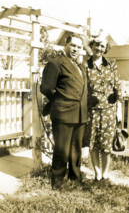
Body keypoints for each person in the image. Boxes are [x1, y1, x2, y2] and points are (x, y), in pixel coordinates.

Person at [40, 33, 88, 189]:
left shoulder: (80, 66)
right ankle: (58, 183)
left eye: (78, 47)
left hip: (80, 113)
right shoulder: (56, 63)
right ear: (66, 45)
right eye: (72, 45)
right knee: (61, 150)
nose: (75, 49)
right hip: (63, 113)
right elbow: (46, 88)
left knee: (76, 149)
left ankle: (75, 178)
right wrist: (59, 99)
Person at [83, 31, 122, 181]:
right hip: (92, 110)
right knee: (93, 144)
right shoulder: (85, 65)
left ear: (105, 48)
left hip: (109, 111)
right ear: (92, 46)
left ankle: (105, 174)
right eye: (96, 45)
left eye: (102, 46)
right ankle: (97, 173)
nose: (99, 48)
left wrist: (118, 107)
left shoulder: (111, 65)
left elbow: (118, 86)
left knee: (106, 145)